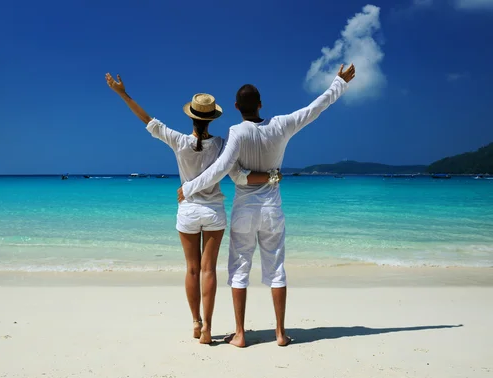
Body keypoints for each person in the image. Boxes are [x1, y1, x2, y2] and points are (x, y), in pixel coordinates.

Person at [177, 64, 356, 347]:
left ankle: (240, 334)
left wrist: (188, 188)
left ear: (236, 106)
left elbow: (224, 170)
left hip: (244, 212)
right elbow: (314, 109)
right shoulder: (282, 125)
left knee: (239, 270)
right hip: (272, 210)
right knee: (276, 270)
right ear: (261, 105)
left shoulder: (237, 132)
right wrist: (339, 84)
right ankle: (281, 333)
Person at [105, 73, 281, 344]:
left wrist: (123, 94)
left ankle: (196, 323)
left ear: (191, 117)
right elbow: (240, 172)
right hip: (214, 213)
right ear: (213, 118)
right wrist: (271, 174)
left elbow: (147, 120)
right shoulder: (222, 143)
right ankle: (209, 329)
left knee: (192, 270)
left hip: (188, 211)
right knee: (209, 270)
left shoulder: (178, 141)